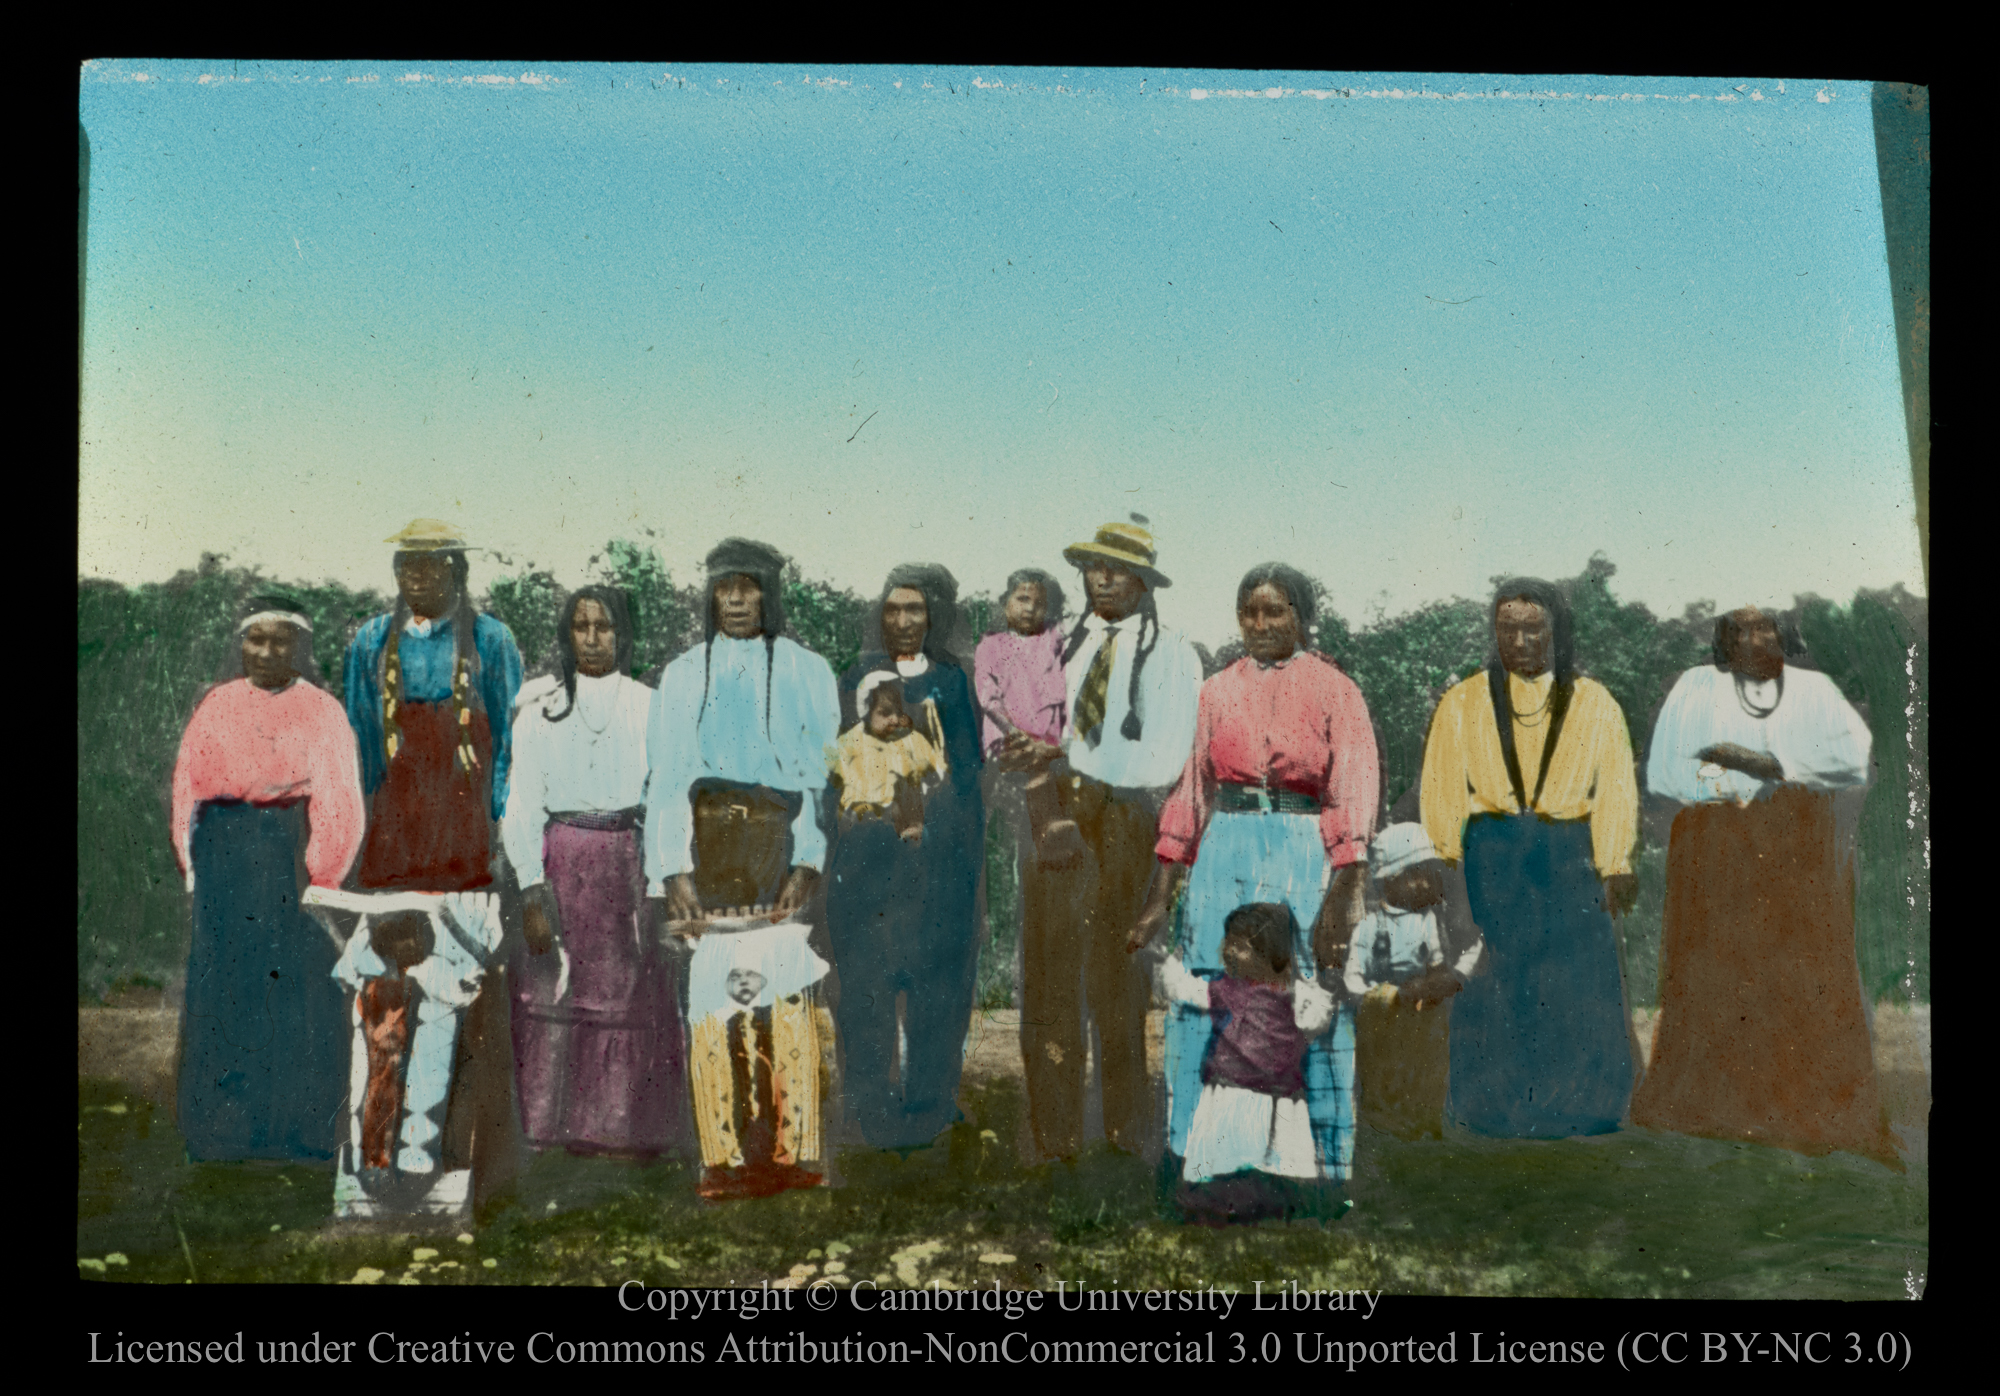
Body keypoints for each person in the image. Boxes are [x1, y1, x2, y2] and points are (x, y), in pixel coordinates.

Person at [1131, 562, 1377, 1202]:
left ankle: (1321, 1166)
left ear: (1301, 615)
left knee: (1306, 996)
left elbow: (1352, 794)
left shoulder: (1335, 690)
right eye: (1250, 613)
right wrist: (1160, 899)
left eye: (1276, 612)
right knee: (1208, 992)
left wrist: (1344, 893)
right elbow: (1188, 796)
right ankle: (1193, 1152)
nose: (1262, 625)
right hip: (1226, 852)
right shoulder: (1213, 692)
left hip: (1302, 849)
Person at [1631, 607, 1897, 1163]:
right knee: (1718, 972)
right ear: (1722, 641)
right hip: (1715, 852)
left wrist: (1762, 761)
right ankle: (1714, 1110)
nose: (1753, 640)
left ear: (1786, 636)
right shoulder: (1694, 688)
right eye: (1739, 631)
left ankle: (1797, 1109)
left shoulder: (1814, 690)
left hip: (1795, 854)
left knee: (1795, 973)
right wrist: (1728, 777)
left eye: (1765, 628)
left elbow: (1852, 760)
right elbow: (1664, 771)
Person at [644, 538, 840, 1196]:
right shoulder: (681, 674)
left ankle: (793, 1151)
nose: (735, 601)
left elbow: (817, 781)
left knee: (783, 1000)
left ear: (769, 594)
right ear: (709, 594)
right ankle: (722, 1157)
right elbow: (668, 781)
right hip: (707, 844)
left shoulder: (808, 671)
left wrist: (806, 864)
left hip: (775, 840)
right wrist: (676, 875)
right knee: (714, 1002)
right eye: (724, 588)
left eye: (748, 588)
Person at [342, 520, 525, 1210]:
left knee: (456, 980)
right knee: (387, 981)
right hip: (395, 829)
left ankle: (440, 1150)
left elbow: (507, 733)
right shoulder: (369, 641)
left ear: (456, 570)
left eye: (433, 566)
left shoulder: (490, 639)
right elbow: (362, 736)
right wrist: (364, 835)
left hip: (465, 824)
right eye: (409, 567)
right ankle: (377, 1149)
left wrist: (500, 820)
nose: (420, 579)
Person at [1419, 577, 1640, 1138]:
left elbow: (1615, 786)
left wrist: (1615, 863)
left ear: (1556, 632)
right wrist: (1448, 866)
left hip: (1567, 857)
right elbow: (1443, 789)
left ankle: (1580, 1108)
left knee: (1573, 982)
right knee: (1494, 976)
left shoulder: (1594, 702)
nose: (1520, 640)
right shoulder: (1462, 702)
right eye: (1507, 628)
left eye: (1533, 627)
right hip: (1492, 855)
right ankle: (1490, 1108)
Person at [1022, 518, 1203, 1161]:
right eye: (1095, 567)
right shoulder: (1050, 647)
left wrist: (1108, 791)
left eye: (1120, 569)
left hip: (1127, 816)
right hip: (1056, 810)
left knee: (1118, 975)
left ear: (1144, 581)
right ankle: (1057, 1137)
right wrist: (1050, 807)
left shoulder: (1175, 653)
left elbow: (1172, 755)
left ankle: (1126, 1131)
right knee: (1050, 976)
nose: (1104, 578)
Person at [169, 591, 365, 1161]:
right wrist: (192, 864)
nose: (267, 651)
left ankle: (295, 1131)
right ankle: (223, 1132)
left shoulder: (322, 710)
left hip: (285, 853)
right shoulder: (219, 705)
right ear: (242, 645)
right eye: (257, 639)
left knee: (293, 991)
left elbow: (338, 797)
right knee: (224, 987)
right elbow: (189, 786)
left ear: (301, 648)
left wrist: (322, 873)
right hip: (223, 855)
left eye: (281, 640)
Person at [503, 586, 689, 1158]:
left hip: (625, 865)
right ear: (567, 635)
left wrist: (660, 885)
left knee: (628, 993)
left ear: (623, 635)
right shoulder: (540, 712)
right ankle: (553, 1124)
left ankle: (622, 1127)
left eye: (604, 627)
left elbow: (668, 800)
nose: (591, 638)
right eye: (580, 626)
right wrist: (532, 889)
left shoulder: (652, 706)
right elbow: (521, 807)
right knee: (556, 989)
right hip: (562, 861)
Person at [829, 564, 987, 1151]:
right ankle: (870, 1107)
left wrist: (942, 827)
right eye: (893, 610)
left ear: (933, 616)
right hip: (868, 862)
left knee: (936, 982)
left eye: (915, 610)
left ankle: (929, 1104)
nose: (902, 621)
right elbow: (834, 767)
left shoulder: (951, 683)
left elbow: (969, 775)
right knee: (867, 982)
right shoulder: (855, 680)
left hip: (936, 860)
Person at [1154, 903, 1337, 1225]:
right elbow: (1183, 988)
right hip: (1230, 1091)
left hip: (1278, 1097)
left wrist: (1316, 991)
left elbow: (1318, 1017)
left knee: (1274, 1163)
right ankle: (1218, 1206)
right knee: (1225, 1161)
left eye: (1240, 945)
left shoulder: (1297, 997)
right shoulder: (1225, 990)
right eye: (1228, 942)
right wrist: (1171, 961)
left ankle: (1270, 1206)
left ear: (1272, 951)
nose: (1228, 951)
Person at [1344, 823, 1484, 1141]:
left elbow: (1436, 962)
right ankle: (1381, 1118)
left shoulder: (1427, 922)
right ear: (1388, 881)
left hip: (1420, 1007)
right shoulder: (1368, 928)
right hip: (1381, 1012)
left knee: (1424, 1061)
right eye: (1413, 875)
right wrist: (1377, 996)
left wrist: (1434, 982)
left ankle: (1423, 1117)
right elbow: (1353, 977)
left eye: (1427, 874)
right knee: (1381, 1065)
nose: (1424, 884)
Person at [830, 671, 947, 844]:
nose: (894, 719)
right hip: (863, 829)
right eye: (884, 713)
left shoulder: (910, 739)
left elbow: (936, 778)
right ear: (867, 713)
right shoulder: (849, 744)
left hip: (906, 829)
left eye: (897, 712)